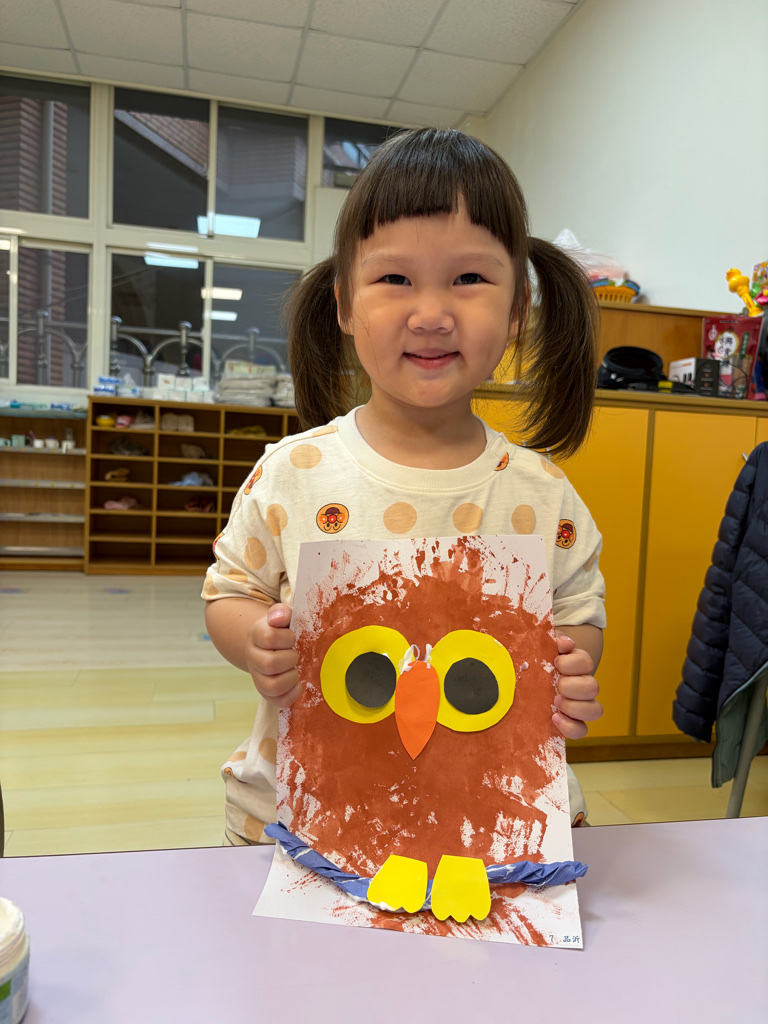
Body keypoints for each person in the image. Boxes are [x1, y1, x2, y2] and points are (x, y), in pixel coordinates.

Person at [203, 127, 605, 846]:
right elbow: (230, 592)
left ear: (518, 310)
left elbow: (577, 613)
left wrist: (568, 662)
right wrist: (255, 643)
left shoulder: (542, 493)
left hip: (488, 819)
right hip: (305, 815)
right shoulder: (293, 474)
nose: (431, 314)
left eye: (469, 278)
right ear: (343, 304)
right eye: (394, 279)